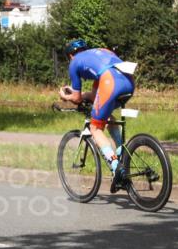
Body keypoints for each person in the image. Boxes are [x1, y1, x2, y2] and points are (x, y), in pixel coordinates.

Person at [58, 39, 135, 188]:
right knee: (106, 116)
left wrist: (65, 96)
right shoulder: (100, 53)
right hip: (128, 81)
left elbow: (76, 99)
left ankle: (116, 167)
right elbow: (94, 96)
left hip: (110, 81)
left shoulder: (74, 63)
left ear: (70, 55)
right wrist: (81, 95)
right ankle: (122, 154)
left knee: (95, 128)